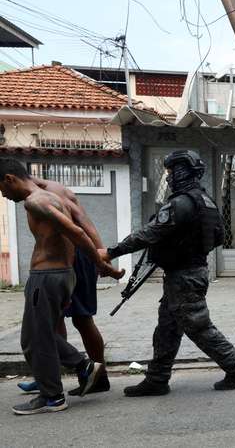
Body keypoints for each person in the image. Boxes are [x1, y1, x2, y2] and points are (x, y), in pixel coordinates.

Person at [100, 150, 235, 396]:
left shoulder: (181, 203)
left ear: (182, 172)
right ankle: (157, 379)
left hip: (185, 275)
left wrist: (112, 252)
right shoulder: (204, 200)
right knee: (167, 328)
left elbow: (149, 234)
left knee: (197, 327)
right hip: (188, 272)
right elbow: (217, 237)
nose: (169, 177)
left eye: (171, 172)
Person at [0, 158, 118, 415]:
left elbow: (77, 232)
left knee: (34, 339)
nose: (3, 195)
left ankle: (59, 390)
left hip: (47, 276)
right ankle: (66, 380)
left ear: (10, 179)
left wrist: (102, 264)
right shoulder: (52, 196)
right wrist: (70, 278)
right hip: (60, 275)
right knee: (40, 334)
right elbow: (73, 235)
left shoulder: (36, 201)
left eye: (2, 189)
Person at [17, 177, 111, 396]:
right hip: (65, 260)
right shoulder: (35, 194)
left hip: (76, 257)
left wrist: (101, 258)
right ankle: (49, 377)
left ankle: (97, 375)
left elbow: (83, 226)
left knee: (81, 318)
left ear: (12, 179)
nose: (3, 194)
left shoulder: (52, 191)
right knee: (52, 320)